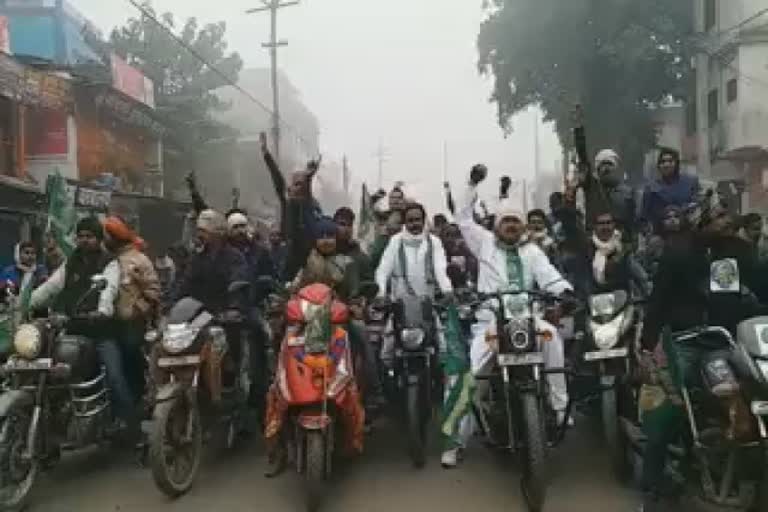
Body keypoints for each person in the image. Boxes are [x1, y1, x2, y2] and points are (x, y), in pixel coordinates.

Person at [638, 202, 760, 511]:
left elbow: (761, 286)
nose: (725, 221)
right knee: (675, 406)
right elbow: (659, 299)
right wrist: (647, 342)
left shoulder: (739, 251)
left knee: (741, 392)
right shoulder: (678, 251)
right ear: (700, 221)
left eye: (727, 216)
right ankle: (654, 484)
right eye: (718, 216)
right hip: (685, 341)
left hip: (728, 339)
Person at [457, 165, 573, 438]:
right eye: (505, 221)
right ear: (497, 226)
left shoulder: (532, 251)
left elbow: (550, 276)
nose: (510, 226)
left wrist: (564, 292)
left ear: (522, 227)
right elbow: (463, 219)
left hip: (531, 322)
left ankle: (559, 409)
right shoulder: (484, 243)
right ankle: (460, 436)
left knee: (553, 339)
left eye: (515, 222)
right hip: (492, 326)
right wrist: (471, 185)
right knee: (474, 370)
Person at [30, 218, 140, 443]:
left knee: (115, 377)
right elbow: (51, 286)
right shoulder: (71, 262)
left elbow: (108, 288)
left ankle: (131, 427)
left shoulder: (109, 262)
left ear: (99, 239)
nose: (84, 240)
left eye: (89, 236)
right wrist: (29, 303)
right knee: (43, 368)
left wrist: (102, 310)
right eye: (80, 235)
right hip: (71, 330)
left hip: (101, 331)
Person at [374, 201, 463, 468]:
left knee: (445, 348)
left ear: (423, 221)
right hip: (400, 307)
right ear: (404, 221)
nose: (414, 223)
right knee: (386, 350)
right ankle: (388, 391)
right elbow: (383, 269)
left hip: (426, 306)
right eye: (410, 219)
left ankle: (443, 394)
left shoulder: (433, 242)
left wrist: (447, 291)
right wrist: (380, 292)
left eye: (418, 219)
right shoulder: (395, 243)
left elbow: (440, 268)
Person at [102, 216, 161, 410]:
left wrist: (135, 311)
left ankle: (135, 406)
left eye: (106, 236)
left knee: (130, 365)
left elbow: (153, 291)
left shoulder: (139, 260)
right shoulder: (105, 258)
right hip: (107, 323)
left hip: (132, 326)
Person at [579, 149, 636, 238]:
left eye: (610, 164)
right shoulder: (591, 189)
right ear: (598, 168)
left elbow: (632, 221)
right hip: (594, 240)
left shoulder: (628, 192)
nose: (606, 168)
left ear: (615, 168)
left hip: (620, 240)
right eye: (603, 164)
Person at [641, 148, 699, 233]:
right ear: (659, 165)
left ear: (676, 163)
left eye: (670, 161)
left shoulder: (690, 183)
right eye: (663, 162)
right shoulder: (651, 188)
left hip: (687, 233)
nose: (666, 164)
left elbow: (696, 206)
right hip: (661, 235)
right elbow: (645, 217)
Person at [442, 223, 478, 290]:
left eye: (455, 235)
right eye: (448, 235)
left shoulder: (467, 252)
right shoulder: (440, 255)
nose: (451, 239)